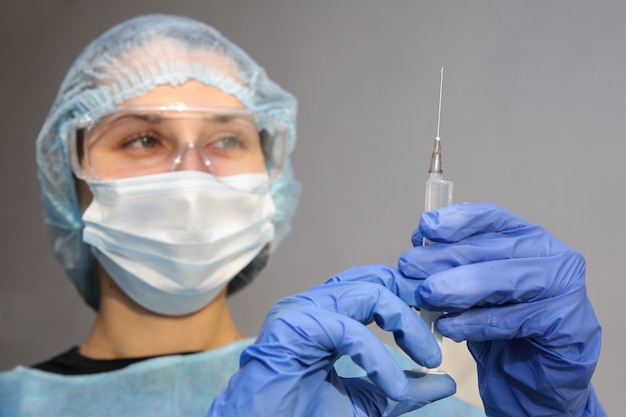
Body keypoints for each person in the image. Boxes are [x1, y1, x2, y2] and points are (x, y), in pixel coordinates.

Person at [0, 13, 605, 417]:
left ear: (271, 175)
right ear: (70, 171)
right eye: (142, 139)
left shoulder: (381, 393)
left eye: (226, 140)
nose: (191, 173)